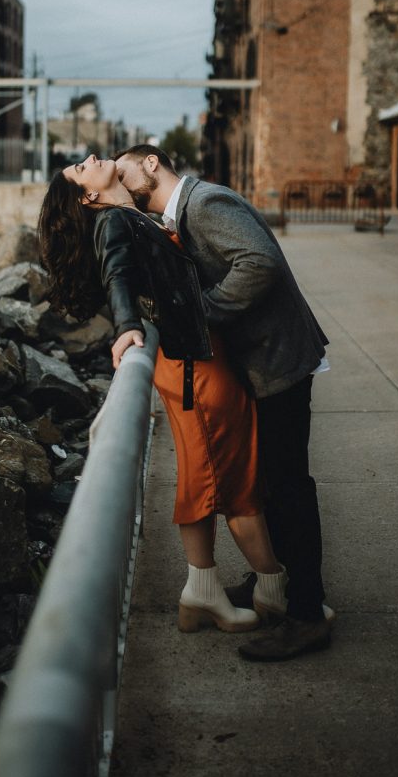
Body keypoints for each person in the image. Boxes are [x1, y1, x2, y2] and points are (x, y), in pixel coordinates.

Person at [37, 154, 289, 636]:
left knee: (204, 472)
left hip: (191, 362)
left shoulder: (128, 214)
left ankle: (204, 590)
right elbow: (118, 274)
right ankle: (275, 592)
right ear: (88, 196)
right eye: (79, 169)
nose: (87, 159)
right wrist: (128, 326)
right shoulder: (112, 221)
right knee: (233, 481)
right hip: (196, 367)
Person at [114, 145, 332, 661]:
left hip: (278, 360)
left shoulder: (204, 203)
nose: (121, 181)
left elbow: (260, 263)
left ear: (151, 164)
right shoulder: (178, 216)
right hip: (263, 361)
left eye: (124, 170)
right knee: (272, 483)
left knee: (287, 488)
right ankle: (285, 593)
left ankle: (305, 614)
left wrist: (202, 314)